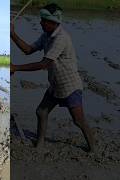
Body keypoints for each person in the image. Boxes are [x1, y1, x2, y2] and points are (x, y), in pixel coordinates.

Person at [11, 3, 95, 152]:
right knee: (41, 112)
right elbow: (28, 50)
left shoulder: (61, 38)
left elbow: (44, 64)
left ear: (54, 22)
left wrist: (16, 68)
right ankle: (40, 144)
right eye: (41, 19)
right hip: (56, 85)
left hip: (69, 86)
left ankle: (93, 148)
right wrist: (12, 34)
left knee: (78, 120)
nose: (41, 23)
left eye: (44, 20)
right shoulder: (46, 35)